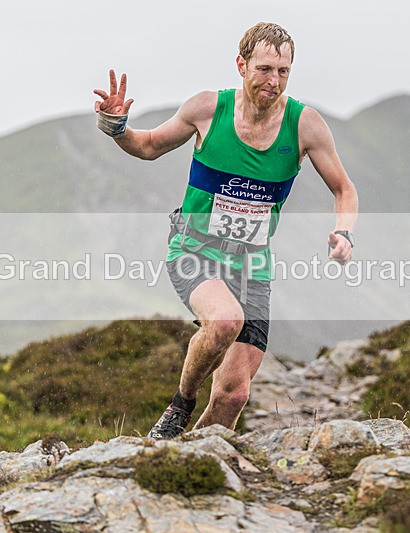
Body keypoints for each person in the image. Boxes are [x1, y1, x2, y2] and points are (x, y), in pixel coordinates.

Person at [93, 22, 358, 439]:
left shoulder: (304, 125)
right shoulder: (206, 109)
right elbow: (146, 146)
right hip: (193, 248)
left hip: (252, 265)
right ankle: (180, 405)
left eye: (283, 72)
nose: (274, 81)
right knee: (224, 321)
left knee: (234, 395)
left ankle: (191, 459)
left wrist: (344, 232)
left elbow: (344, 189)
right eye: (265, 69)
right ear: (241, 64)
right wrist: (116, 127)